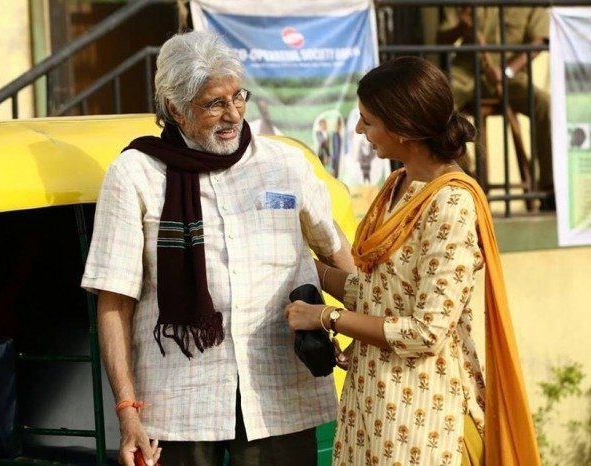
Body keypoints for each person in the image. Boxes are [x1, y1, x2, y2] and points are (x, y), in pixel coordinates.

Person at [81, 30, 355, 466]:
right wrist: (127, 411)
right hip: (180, 400)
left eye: (238, 97)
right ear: (176, 109)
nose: (233, 114)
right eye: (214, 104)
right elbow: (115, 300)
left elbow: (334, 250)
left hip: (278, 391)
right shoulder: (135, 174)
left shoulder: (284, 165)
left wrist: (366, 328)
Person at [284, 56, 540, 465]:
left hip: (425, 414)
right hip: (370, 403)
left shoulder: (451, 202)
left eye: (368, 121)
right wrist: (303, 264)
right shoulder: (397, 184)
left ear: (402, 128)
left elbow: (426, 330)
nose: (359, 130)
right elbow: (378, 293)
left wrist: (327, 318)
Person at [436, 6, 553, 210]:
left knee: (545, 104)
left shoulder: (531, 4)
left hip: (511, 76)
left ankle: (549, 189)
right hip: (467, 71)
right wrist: (462, 28)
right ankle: (464, 178)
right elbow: (441, 40)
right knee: (438, 104)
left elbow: (539, 42)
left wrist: (507, 70)